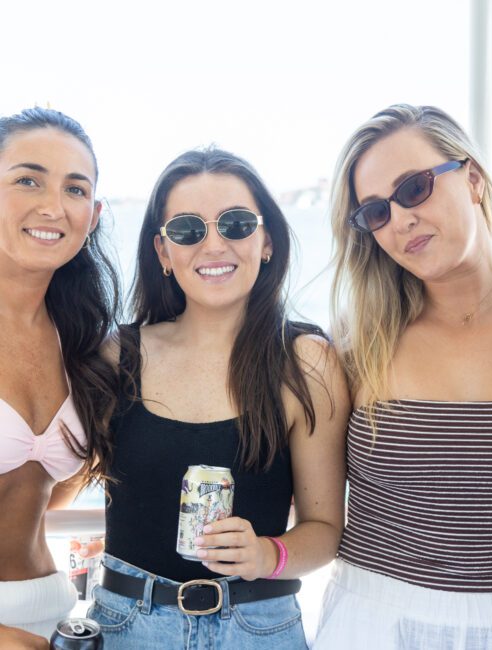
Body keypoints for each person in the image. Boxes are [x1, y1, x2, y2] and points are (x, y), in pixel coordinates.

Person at [314, 104, 492, 650]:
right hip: (374, 624)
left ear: (471, 178)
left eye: (415, 188)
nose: (400, 219)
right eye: (375, 211)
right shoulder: (356, 342)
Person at [87, 147, 349, 649]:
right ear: (164, 252)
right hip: (126, 629)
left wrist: (267, 555)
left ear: (267, 239)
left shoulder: (306, 363)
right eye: (188, 229)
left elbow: (323, 529)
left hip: (257, 630)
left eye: (235, 224)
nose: (214, 244)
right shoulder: (113, 356)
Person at [0, 107, 119, 647]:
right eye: (28, 180)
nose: (53, 206)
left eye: (75, 189)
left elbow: (53, 481)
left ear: (92, 215)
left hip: (51, 607)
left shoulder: (81, 340)